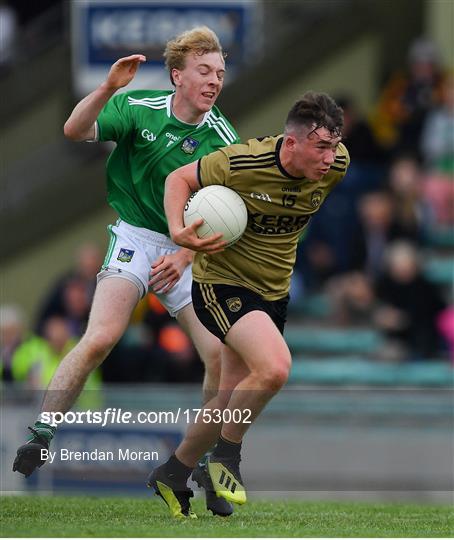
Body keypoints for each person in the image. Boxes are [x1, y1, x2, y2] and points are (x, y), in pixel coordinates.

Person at [13, 26, 239, 517]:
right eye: (204, 70)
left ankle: (198, 460)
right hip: (136, 236)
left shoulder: (223, 140)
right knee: (100, 337)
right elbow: (74, 131)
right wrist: (107, 88)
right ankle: (42, 432)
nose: (214, 80)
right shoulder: (139, 108)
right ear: (177, 75)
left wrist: (184, 256)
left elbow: (221, 217)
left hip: (186, 254)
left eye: (220, 72)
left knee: (219, 356)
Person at [146, 92, 350, 517]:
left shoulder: (337, 167)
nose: (330, 157)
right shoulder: (240, 162)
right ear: (291, 143)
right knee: (275, 368)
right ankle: (225, 459)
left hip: (274, 293)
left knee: (227, 398)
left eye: (334, 146)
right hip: (221, 285)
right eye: (321, 147)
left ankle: (174, 472)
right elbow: (177, 180)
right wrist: (180, 235)